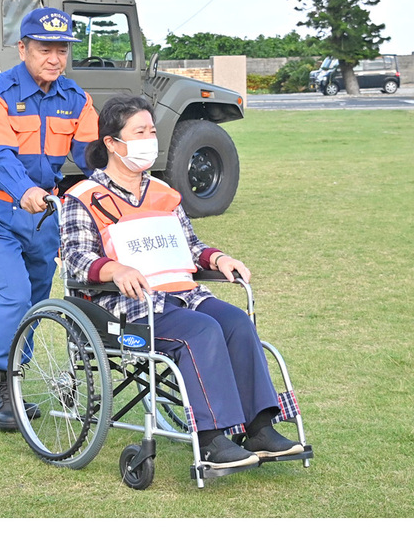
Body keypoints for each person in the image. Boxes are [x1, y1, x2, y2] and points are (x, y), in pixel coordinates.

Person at [59, 95, 304, 469]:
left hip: (182, 294)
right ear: (111, 142)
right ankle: (211, 438)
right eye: (139, 132)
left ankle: (259, 428)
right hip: (127, 306)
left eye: (152, 132)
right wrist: (115, 269)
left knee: (237, 323)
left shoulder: (164, 193)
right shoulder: (84, 197)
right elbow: (77, 257)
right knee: (202, 331)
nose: (149, 140)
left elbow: (189, 246)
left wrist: (218, 258)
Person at [0, 7, 99, 431]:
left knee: (36, 303)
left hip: (45, 218)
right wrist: (24, 190)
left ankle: (16, 379)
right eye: (45, 49)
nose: (55, 58)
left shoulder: (77, 100)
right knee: (14, 296)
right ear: (23, 49)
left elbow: (92, 156)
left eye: (62, 49)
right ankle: (0, 388)